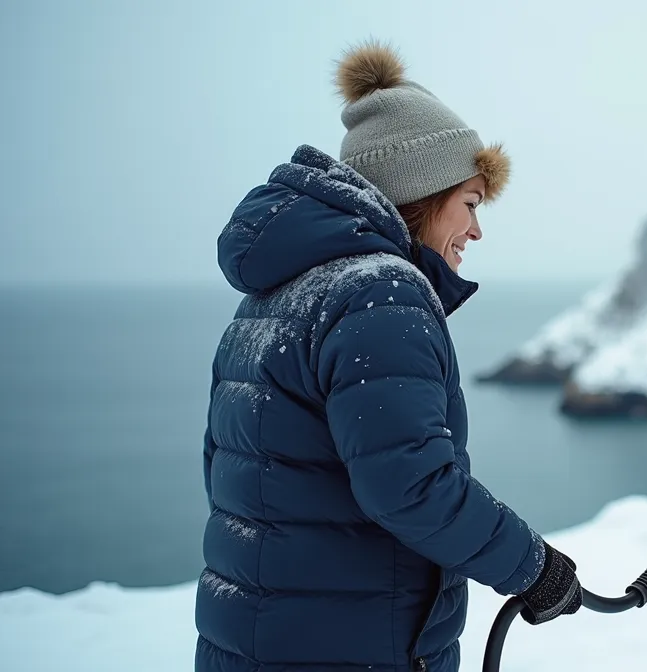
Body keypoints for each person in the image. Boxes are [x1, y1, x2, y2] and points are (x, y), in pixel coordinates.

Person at [194, 40, 583, 672]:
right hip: (348, 650)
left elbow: (226, 472)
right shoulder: (381, 292)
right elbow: (410, 485)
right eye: (472, 203)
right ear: (424, 193)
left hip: (251, 644)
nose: (478, 230)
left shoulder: (275, 294)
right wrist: (532, 566)